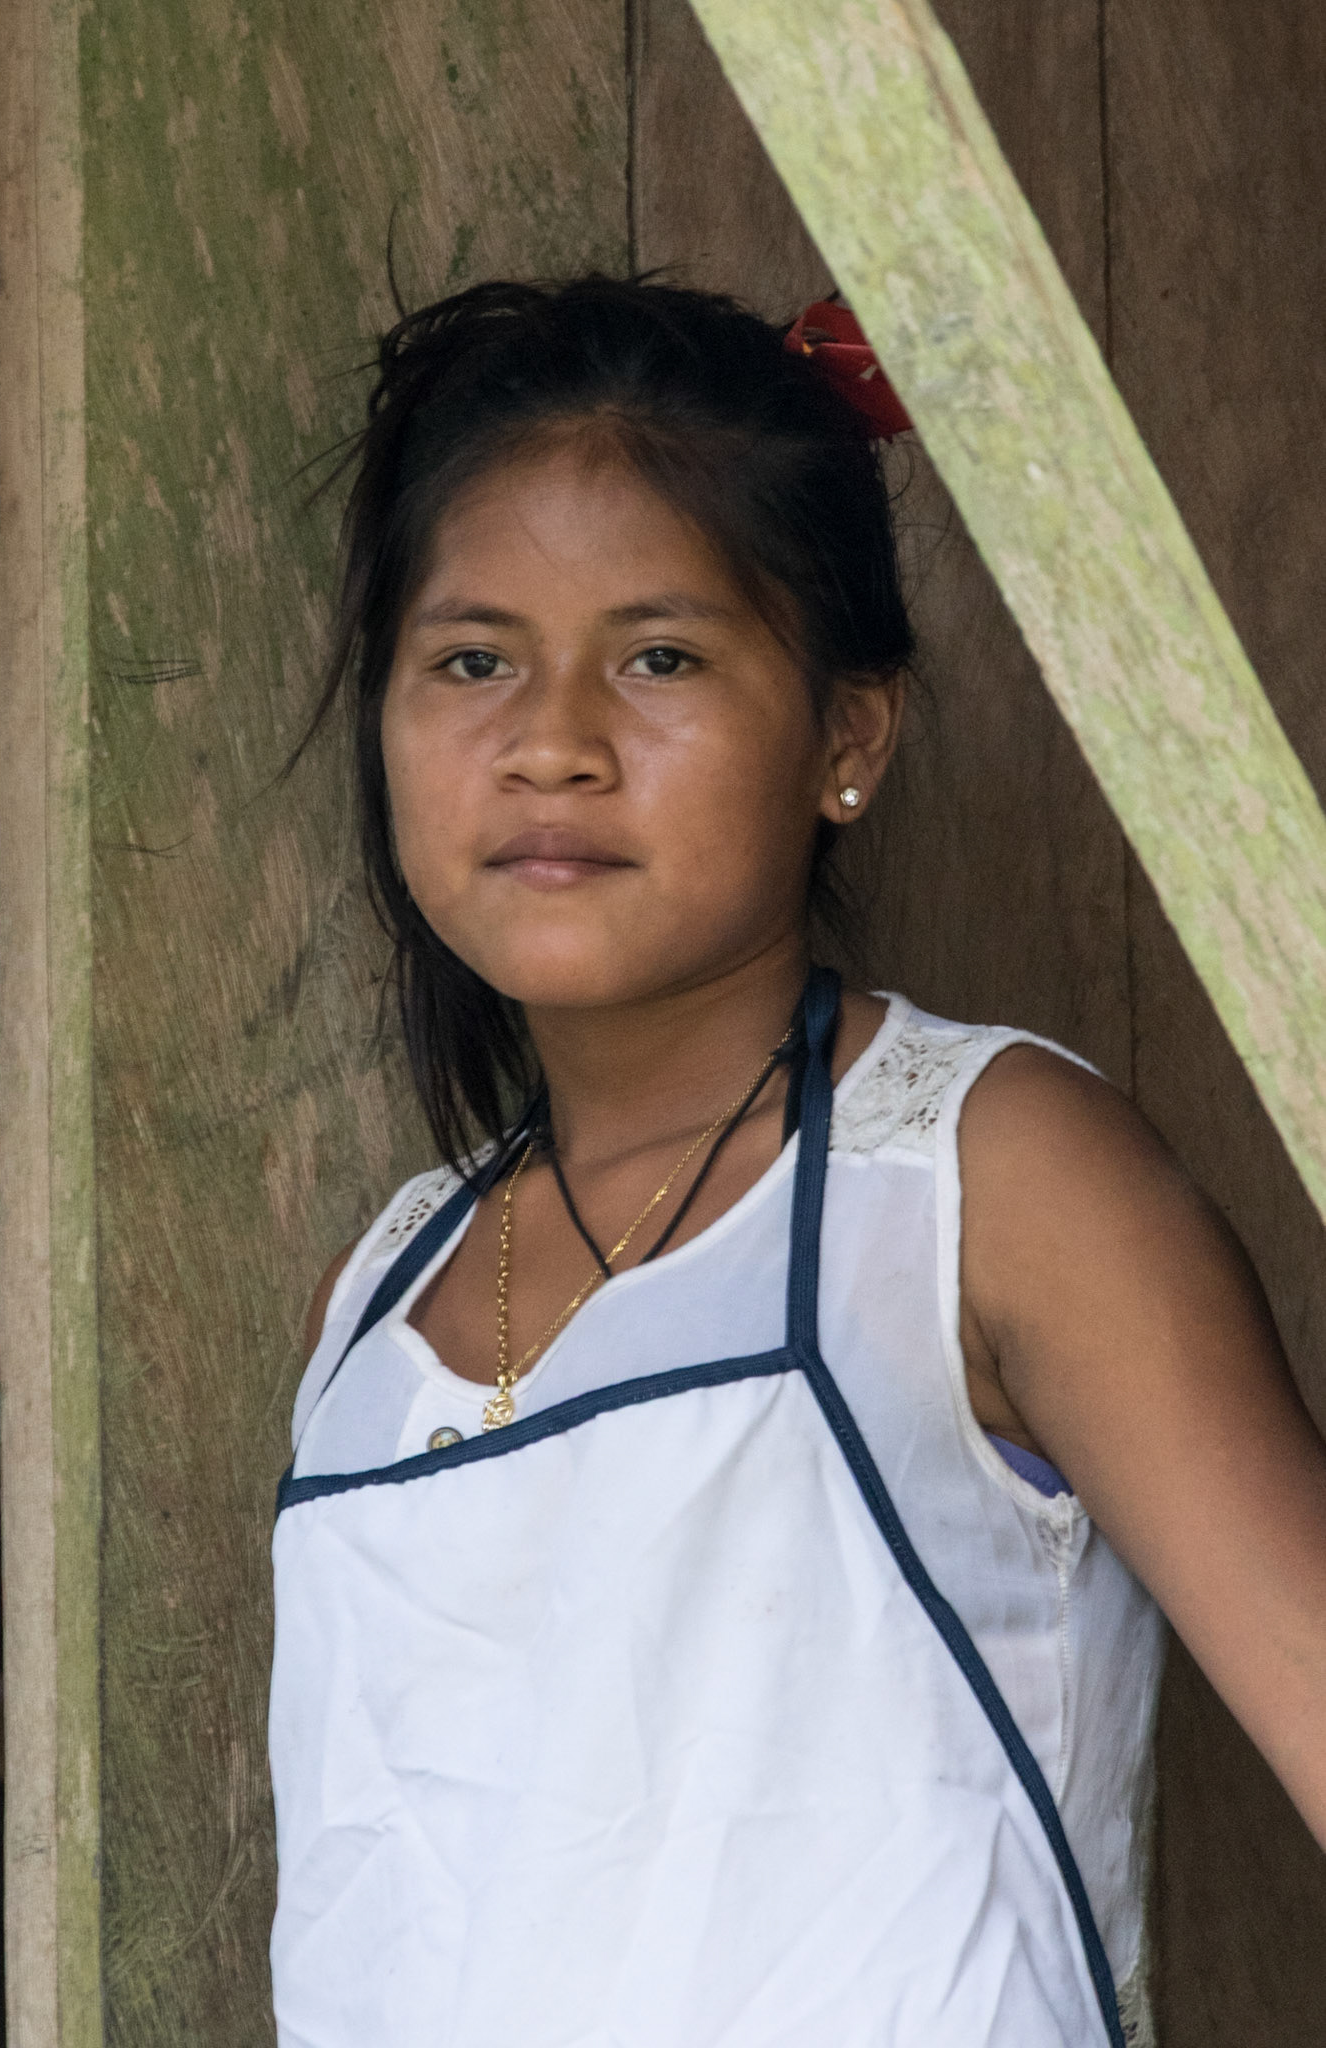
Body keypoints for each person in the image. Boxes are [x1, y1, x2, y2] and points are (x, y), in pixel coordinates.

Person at [268, 276, 1326, 2048]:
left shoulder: (980, 1183)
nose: (551, 739)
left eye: (659, 655)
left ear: (848, 735)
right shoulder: (381, 1298)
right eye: (471, 658)